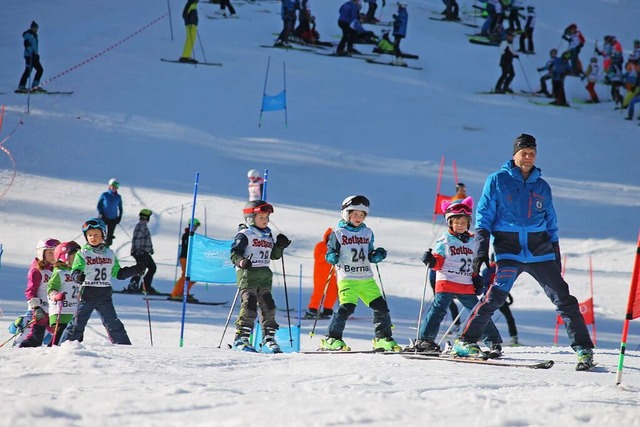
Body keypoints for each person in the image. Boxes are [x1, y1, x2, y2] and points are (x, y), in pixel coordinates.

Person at [452, 134, 596, 370]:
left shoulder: (542, 186)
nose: (528, 157)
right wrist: (481, 251)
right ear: (514, 155)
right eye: (523, 153)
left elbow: (551, 222)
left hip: (541, 251)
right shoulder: (497, 180)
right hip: (509, 250)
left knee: (564, 299)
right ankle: (465, 341)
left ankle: (583, 349)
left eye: (531, 153)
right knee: (494, 297)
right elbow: (484, 216)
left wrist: (555, 253)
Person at [407, 198, 503, 357]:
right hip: (446, 282)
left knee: (478, 312)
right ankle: (426, 341)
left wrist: (476, 278)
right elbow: (438, 262)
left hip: (465, 284)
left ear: (468, 223)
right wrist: (431, 261)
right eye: (456, 222)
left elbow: (473, 263)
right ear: (450, 223)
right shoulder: (445, 240)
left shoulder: (473, 241)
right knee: (438, 310)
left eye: (464, 222)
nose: (460, 225)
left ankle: (493, 342)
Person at [320, 195, 401, 352]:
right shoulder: (338, 233)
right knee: (347, 308)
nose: (359, 218)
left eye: (362, 215)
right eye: (355, 214)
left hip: (366, 279)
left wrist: (377, 255)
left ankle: (382, 338)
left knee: (381, 307)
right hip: (348, 279)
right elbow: (329, 252)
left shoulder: (367, 232)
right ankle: (331, 338)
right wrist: (332, 257)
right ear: (347, 214)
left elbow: (369, 253)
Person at [59, 218, 145, 345]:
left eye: (96, 234)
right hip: (87, 293)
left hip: (104, 294)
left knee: (113, 323)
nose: (93, 238)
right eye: (89, 235)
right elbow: (75, 270)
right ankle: (64, 346)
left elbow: (118, 274)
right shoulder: (82, 253)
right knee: (77, 323)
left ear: (103, 234)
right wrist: (78, 276)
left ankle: (123, 346)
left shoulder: (109, 254)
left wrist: (135, 269)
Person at [230, 200, 291, 353]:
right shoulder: (245, 234)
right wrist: (241, 261)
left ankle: (268, 339)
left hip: (264, 275)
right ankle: (241, 338)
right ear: (251, 218)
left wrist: (280, 246)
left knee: (269, 306)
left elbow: (274, 256)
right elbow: (234, 253)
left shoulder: (268, 234)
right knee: (249, 304)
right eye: (261, 217)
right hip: (248, 275)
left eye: (266, 217)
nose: (265, 220)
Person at [19, 238, 60, 347]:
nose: (53, 255)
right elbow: (30, 291)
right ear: (42, 254)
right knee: (36, 338)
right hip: (41, 311)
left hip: (54, 311)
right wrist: (36, 308)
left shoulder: (59, 270)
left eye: (55, 252)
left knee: (61, 336)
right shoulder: (37, 271)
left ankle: (56, 353)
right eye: (50, 252)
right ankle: (21, 351)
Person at [47, 241, 82, 345]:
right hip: (60, 313)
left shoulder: (77, 274)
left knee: (76, 340)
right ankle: (50, 354)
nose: (78, 260)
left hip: (74, 313)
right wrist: (55, 295)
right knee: (59, 339)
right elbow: (51, 288)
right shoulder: (59, 273)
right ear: (63, 257)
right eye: (74, 257)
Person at [481, 254, 519, 346]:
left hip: (489, 297)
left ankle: (480, 334)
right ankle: (514, 338)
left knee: (484, 316)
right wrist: (508, 295)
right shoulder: (502, 269)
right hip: (499, 296)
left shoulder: (487, 270)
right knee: (509, 317)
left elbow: (485, 285)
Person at [305, 228, 338, 319]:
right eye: (330, 237)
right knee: (319, 291)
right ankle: (312, 309)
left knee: (333, 291)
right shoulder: (320, 246)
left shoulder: (336, 248)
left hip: (332, 274)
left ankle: (327, 309)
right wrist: (327, 254)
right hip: (320, 273)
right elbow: (318, 257)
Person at [128, 209, 159, 295]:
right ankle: (133, 285)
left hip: (145, 252)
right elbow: (137, 238)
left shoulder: (143, 226)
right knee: (141, 268)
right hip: (141, 252)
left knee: (152, 267)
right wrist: (138, 250)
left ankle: (145, 286)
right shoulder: (141, 226)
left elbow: (145, 240)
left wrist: (150, 249)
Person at [170, 218, 201, 302]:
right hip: (185, 258)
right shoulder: (187, 235)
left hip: (190, 258)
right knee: (185, 276)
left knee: (193, 277)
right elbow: (187, 247)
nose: (196, 228)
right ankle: (176, 293)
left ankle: (184, 292)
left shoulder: (192, 235)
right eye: (195, 226)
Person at [17, 21, 44, 93]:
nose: (36, 30)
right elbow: (26, 45)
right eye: (35, 28)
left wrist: (36, 54)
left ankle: (35, 86)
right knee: (28, 70)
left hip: (34, 56)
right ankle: (21, 86)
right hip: (29, 56)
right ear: (32, 28)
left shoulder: (34, 35)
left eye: (37, 28)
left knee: (40, 70)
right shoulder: (28, 35)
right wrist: (31, 52)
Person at [96, 178, 123, 247]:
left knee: (109, 237)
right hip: (104, 217)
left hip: (113, 218)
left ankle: (106, 251)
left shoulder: (118, 197)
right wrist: (101, 213)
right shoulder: (104, 195)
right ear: (109, 186)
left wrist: (119, 217)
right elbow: (99, 205)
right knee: (101, 234)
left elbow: (120, 208)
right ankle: (97, 249)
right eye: (113, 185)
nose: (114, 187)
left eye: (116, 186)